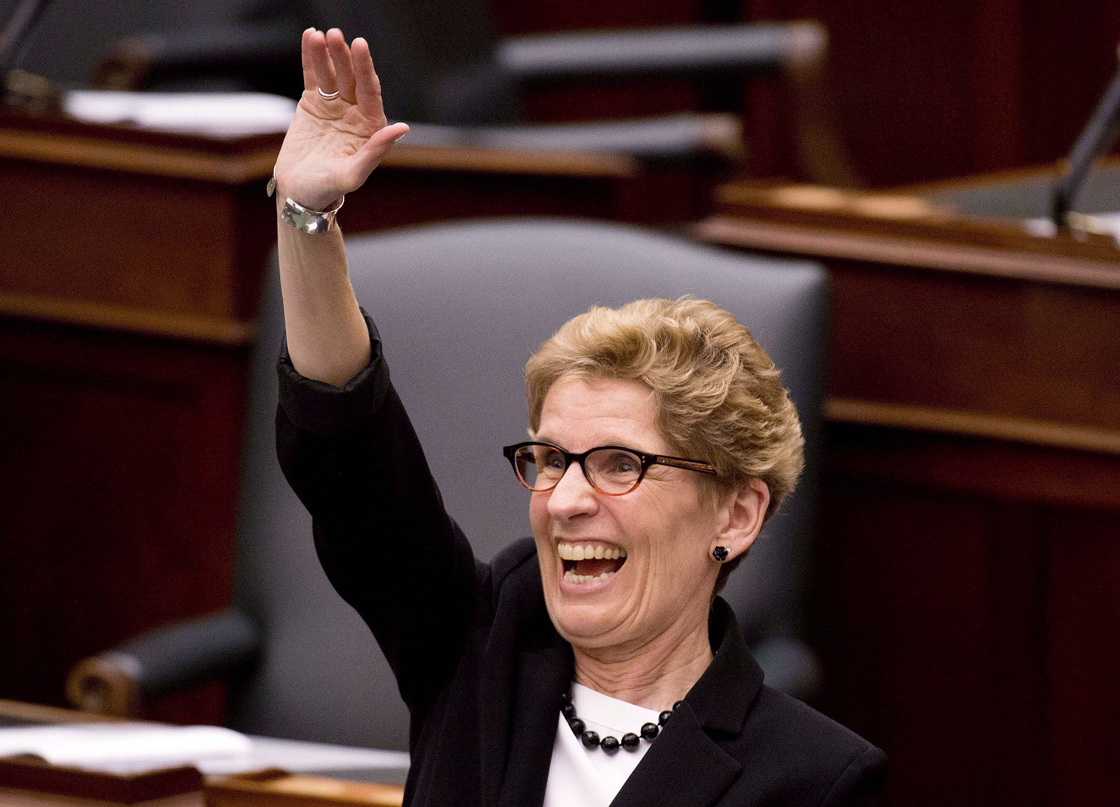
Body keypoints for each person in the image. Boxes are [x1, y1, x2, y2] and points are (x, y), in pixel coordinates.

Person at [274, 26, 887, 807]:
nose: (564, 500)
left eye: (619, 463)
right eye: (551, 459)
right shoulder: (478, 648)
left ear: (736, 511)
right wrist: (308, 215)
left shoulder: (811, 778)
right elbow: (350, 460)